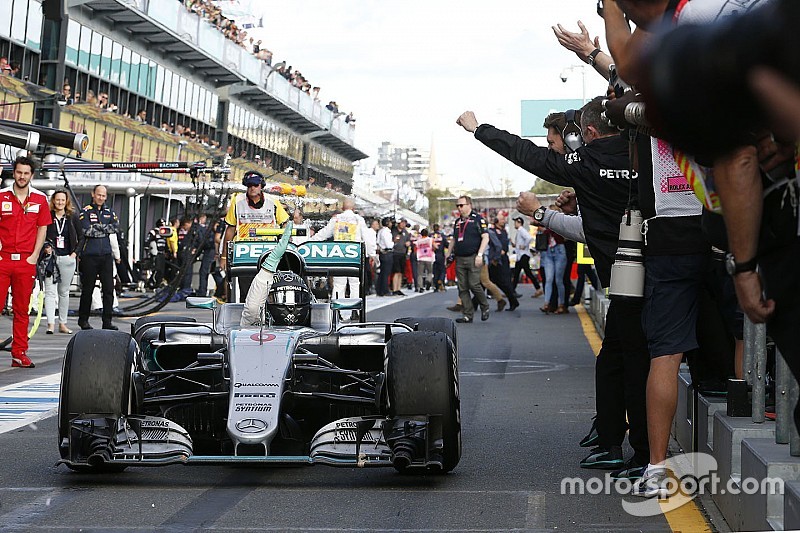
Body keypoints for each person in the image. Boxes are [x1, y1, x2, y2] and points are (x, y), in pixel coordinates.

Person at [458, 101, 650, 473]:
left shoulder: (587, 163)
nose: (551, 147)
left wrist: (479, 129)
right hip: (647, 266)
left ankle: (644, 452)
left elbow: (525, 154)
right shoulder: (641, 150)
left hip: (631, 275)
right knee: (613, 359)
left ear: (585, 134)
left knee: (633, 363)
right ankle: (609, 435)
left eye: (554, 141)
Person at [0, 156, 51, 367]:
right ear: (14, 172)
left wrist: (34, 255)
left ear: (32, 175)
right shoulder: (1, 196)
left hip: (25, 261)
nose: (22, 176)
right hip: (2, 260)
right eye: (19, 172)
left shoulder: (39, 199)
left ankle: (19, 353)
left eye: (26, 173)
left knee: (22, 310)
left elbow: (42, 228)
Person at [219, 170, 289, 300]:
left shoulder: (272, 201)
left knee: (269, 290)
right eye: (249, 185)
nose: (252, 188)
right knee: (246, 292)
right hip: (244, 252)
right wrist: (224, 257)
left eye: (255, 185)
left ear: (261, 186)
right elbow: (230, 229)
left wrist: (285, 245)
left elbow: (285, 224)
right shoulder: (237, 201)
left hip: (268, 252)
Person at [311, 198, 373, 312]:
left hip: (339, 254)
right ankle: (356, 311)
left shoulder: (337, 219)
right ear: (353, 208)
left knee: (339, 284)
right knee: (355, 283)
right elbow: (367, 238)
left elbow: (324, 233)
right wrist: (371, 253)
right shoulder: (358, 219)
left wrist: (311, 241)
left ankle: (338, 312)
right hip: (354, 255)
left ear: (342, 207)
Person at [76, 184, 120, 330]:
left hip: (106, 256)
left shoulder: (109, 212)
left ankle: (107, 322)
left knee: (108, 289)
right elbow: (87, 231)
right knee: (88, 289)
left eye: (103, 195)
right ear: (93, 194)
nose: (101, 198)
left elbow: (115, 227)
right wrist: (104, 229)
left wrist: (99, 228)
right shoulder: (85, 211)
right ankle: (83, 320)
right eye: (99, 194)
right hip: (90, 256)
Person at [450, 196, 490, 323]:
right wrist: (448, 253)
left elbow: (485, 237)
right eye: (457, 206)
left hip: (473, 256)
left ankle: (485, 306)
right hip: (460, 258)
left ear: (469, 205)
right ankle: (468, 314)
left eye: (461, 205)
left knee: (474, 284)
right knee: (462, 287)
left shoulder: (478, 219)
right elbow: (454, 239)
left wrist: (479, 254)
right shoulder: (457, 222)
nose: (459, 208)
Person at [44, 190, 78, 334]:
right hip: (50, 259)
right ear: (53, 201)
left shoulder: (72, 217)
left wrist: (74, 254)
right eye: (57, 200)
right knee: (50, 292)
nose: (60, 202)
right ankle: (50, 323)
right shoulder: (47, 216)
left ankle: (62, 323)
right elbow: (41, 233)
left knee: (63, 292)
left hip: (67, 258)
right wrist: (45, 247)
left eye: (62, 200)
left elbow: (82, 236)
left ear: (66, 202)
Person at [487, 213, 519, 311]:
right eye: (501, 220)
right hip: (494, 259)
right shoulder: (492, 231)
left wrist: (497, 257)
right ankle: (474, 303)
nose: (503, 221)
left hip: (499, 260)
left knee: (501, 282)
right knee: (486, 282)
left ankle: (513, 300)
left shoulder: (503, 232)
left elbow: (503, 246)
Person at [538, 218, 568, 315]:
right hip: (548, 251)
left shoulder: (560, 224)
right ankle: (547, 303)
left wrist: (546, 229)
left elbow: (559, 234)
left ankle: (562, 304)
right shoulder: (547, 227)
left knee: (558, 280)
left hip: (559, 250)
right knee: (549, 279)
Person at [511, 216, 542, 296]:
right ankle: (511, 290)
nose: (514, 224)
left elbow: (529, 238)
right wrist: (516, 245)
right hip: (521, 255)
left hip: (523, 255)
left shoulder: (521, 230)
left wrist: (524, 245)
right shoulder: (520, 231)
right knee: (520, 273)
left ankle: (511, 291)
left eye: (515, 222)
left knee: (521, 273)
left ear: (519, 223)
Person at [390, 219, 411, 296]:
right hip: (395, 252)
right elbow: (392, 240)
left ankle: (398, 288)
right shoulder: (394, 231)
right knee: (396, 271)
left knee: (401, 272)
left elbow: (408, 241)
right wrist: (395, 239)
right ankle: (394, 288)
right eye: (402, 223)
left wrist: (408, 243)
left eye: (404, 223)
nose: (403, 225)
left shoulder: (405, 232)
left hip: (403, 253)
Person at [375, 217, 394, 297]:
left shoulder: (381, 231)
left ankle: (380, 289)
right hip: (387, 252)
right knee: (386, 273)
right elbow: (389, 244)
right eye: (390, 222)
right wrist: (393, 243)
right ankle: (384, 290)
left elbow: (378, 242)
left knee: (383, 272)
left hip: (382, 253)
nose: (391, 224)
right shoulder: (386, 232)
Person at [431, 223, 447, 292]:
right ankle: (441, 280)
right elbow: (446, 244)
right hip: (441, 254)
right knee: (442, 270)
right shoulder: (442, 236)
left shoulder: (430, 236)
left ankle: (436, 286)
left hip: (432, 255)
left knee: (435, 271)